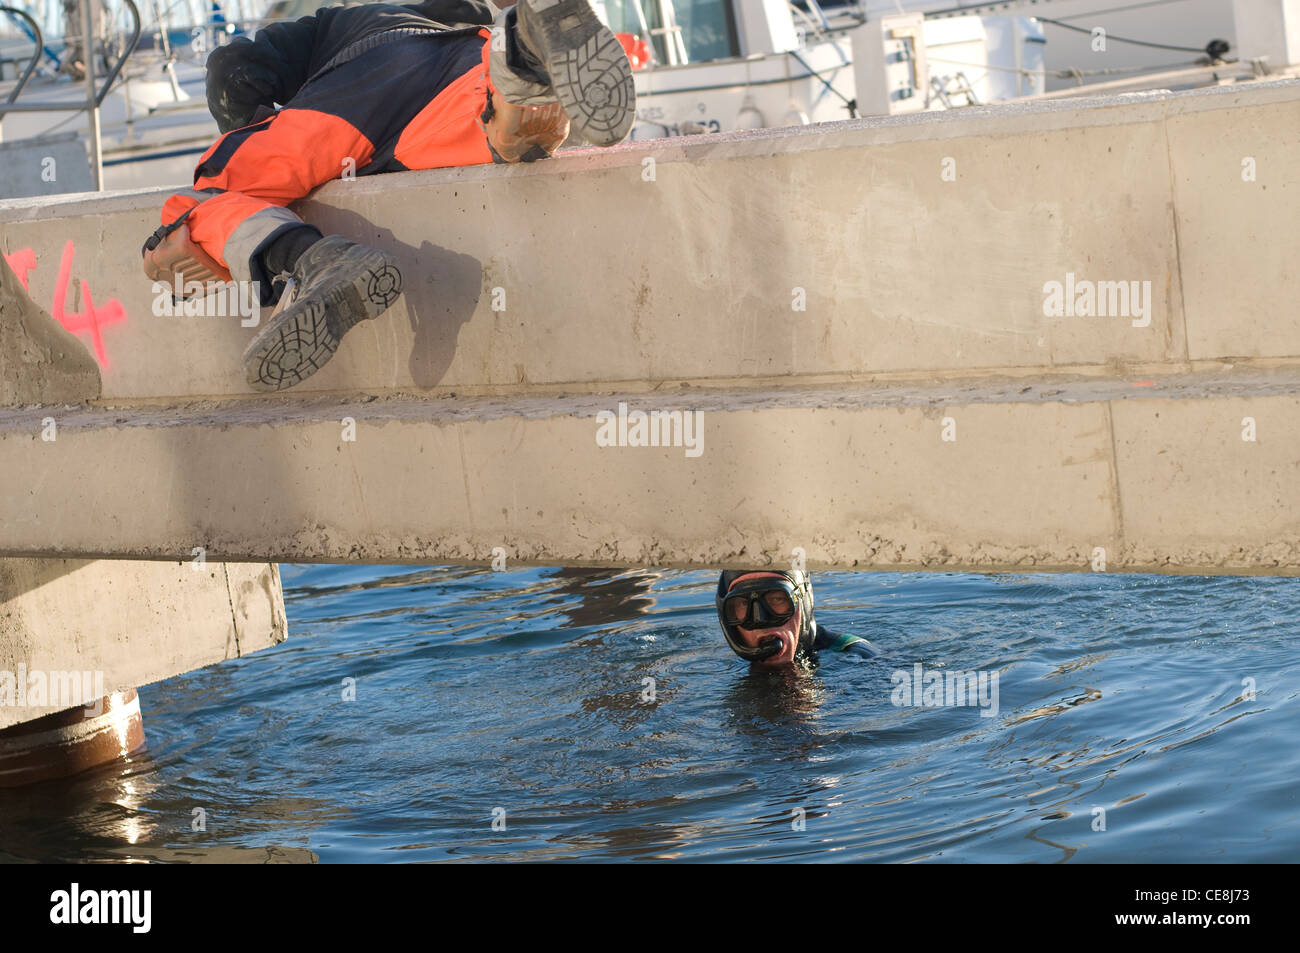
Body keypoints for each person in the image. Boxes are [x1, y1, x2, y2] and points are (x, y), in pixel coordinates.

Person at [141, 0, 634, 392]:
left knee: (195, 206)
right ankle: (525, 50)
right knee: (502, 127)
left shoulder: (337, 24)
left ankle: (316, 259)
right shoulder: (453, 18)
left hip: (359, 89)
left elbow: (232, 66)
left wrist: (256, 146)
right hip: (466, 62)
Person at [715, 570, 876, 667]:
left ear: (803, 603)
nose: (760, 620)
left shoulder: (855, 656)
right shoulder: (717, 663)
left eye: (777, 599)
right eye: (743, 604)